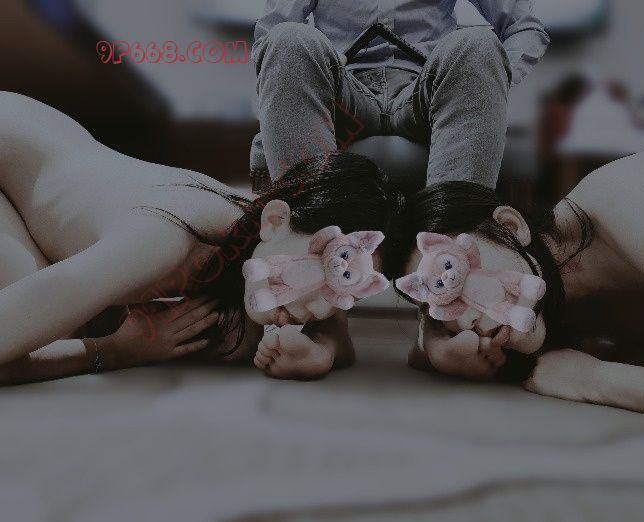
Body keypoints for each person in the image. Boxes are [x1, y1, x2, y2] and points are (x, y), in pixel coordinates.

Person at [0, 92, 402, 384]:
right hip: (13, 150)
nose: (317, 308)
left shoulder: (285, 246)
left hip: (41, 150)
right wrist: (114, 351)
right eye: (318, 273)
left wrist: (323, 353)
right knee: (53, 339)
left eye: (344, 290)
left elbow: (336, 334)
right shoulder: (163, 240)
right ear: (275, 219)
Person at [388, 134, 644, 423]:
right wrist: (437, 347)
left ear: (511, 227)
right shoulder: (554, 304)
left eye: (462, 273)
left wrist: (592, 380)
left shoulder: (626, 204)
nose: (466, 318)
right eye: (440, 305)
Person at [250, 0, 549, 188]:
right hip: (344, 95)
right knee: (286, 38)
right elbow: (268, 42)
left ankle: (452, 242)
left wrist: (491, 77)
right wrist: (323, 65)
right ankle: (312, 238)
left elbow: (525, 29)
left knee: (479, 42)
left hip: (426, 96)